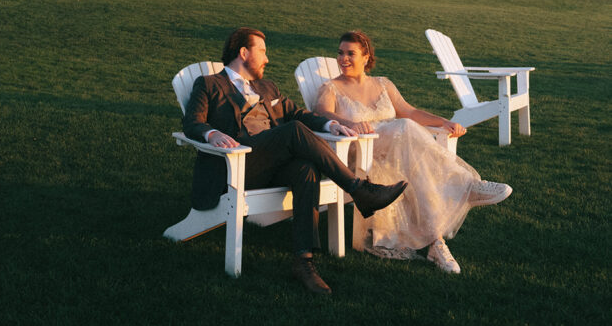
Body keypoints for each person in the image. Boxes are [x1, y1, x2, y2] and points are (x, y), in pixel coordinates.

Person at [182, 27, 407, 295]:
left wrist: (331, 124)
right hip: (234, 167)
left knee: (305, 168)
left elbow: (298, 113)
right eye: (262, 52)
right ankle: (359, 189)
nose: (267, 59)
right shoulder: (209, 84)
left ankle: (304, 262)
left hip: (268, 165)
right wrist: (211, 132)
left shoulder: (267, 87)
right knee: (294, 130)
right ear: (243, 53)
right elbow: (192, 122)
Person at [314, 30, 513, 275]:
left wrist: (443, 122)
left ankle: (435, 243)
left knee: (417, 171)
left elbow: (409, 111)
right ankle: (466, 185)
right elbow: (321, 114)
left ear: (366, 57)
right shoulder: (331, 88)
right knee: (406, 131)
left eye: (350, 54)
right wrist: (351, 124)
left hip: (397, 153)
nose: (343, 58)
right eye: (340, 53)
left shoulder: (383, 84)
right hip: (359, 154)